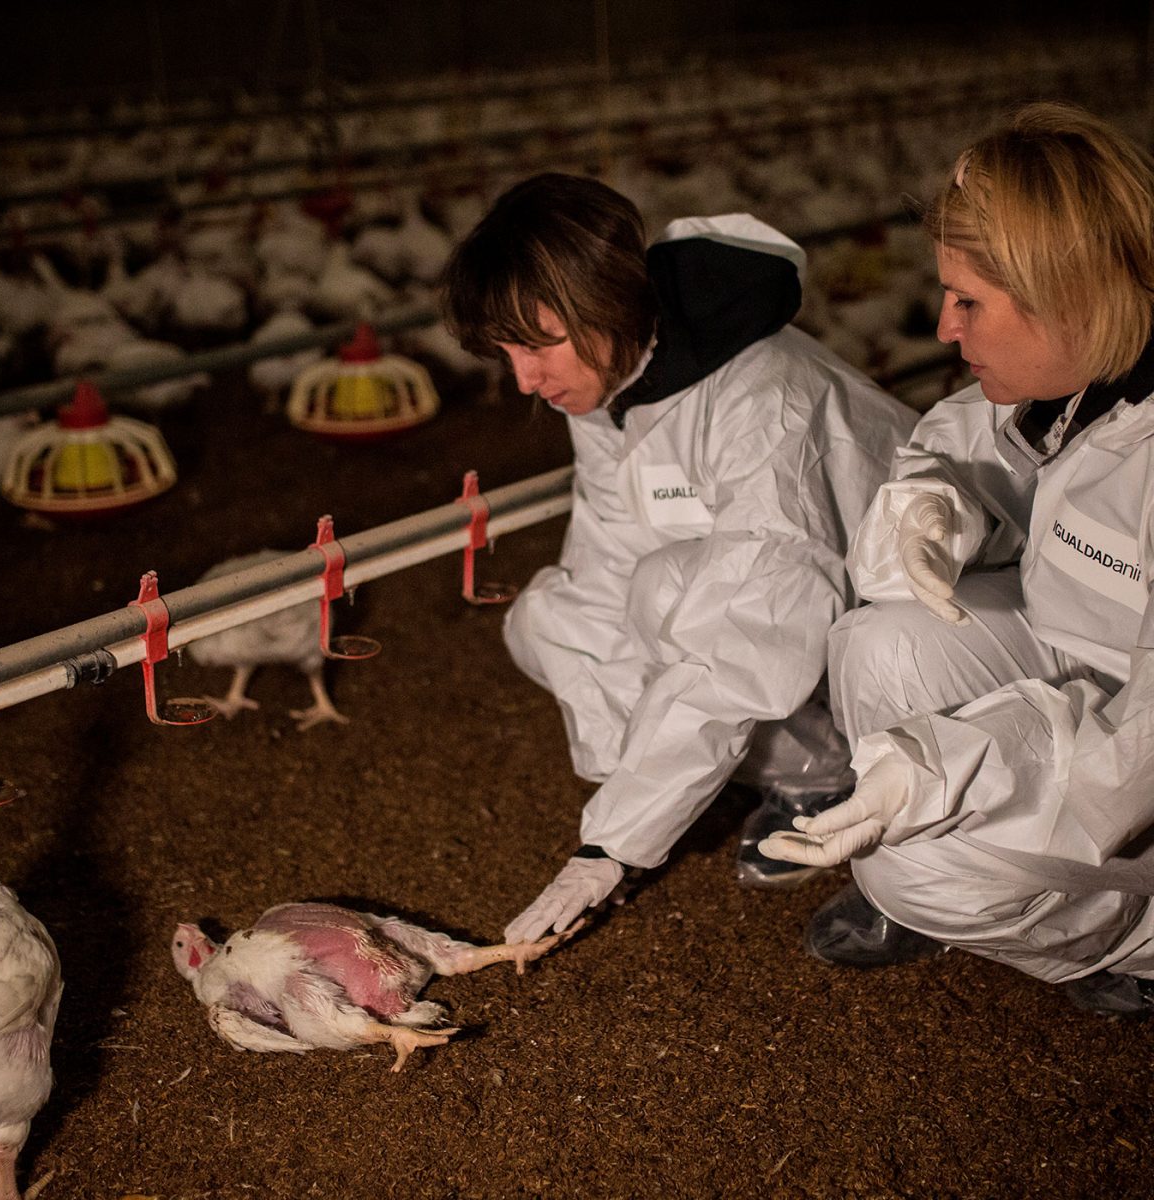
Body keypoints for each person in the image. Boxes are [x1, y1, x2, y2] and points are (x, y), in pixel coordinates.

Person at [439, 172, 916, 944]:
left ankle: (868, 812)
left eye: (538, 344)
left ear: (604, 303)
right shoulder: (615, 381)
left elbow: (749, 631)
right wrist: (631, 788)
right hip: (798, 625)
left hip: (912, 639)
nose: (525, 380)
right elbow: (606, 562)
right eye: (507, 352)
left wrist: (612, 846)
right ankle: (746, 775)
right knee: (551, 616)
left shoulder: (764, 399)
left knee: (678, 600)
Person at [760, 102, 1154, 1018]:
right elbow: (966, 445)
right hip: (1091, 682)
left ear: (1072, 298)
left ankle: (1129, 947)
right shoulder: (1082, 379)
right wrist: (941, 504)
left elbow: (1138, 747)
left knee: (918, 874)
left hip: (1136, 751)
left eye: (969, 302)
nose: (943, 327)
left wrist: (954, 765)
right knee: (873, 644)